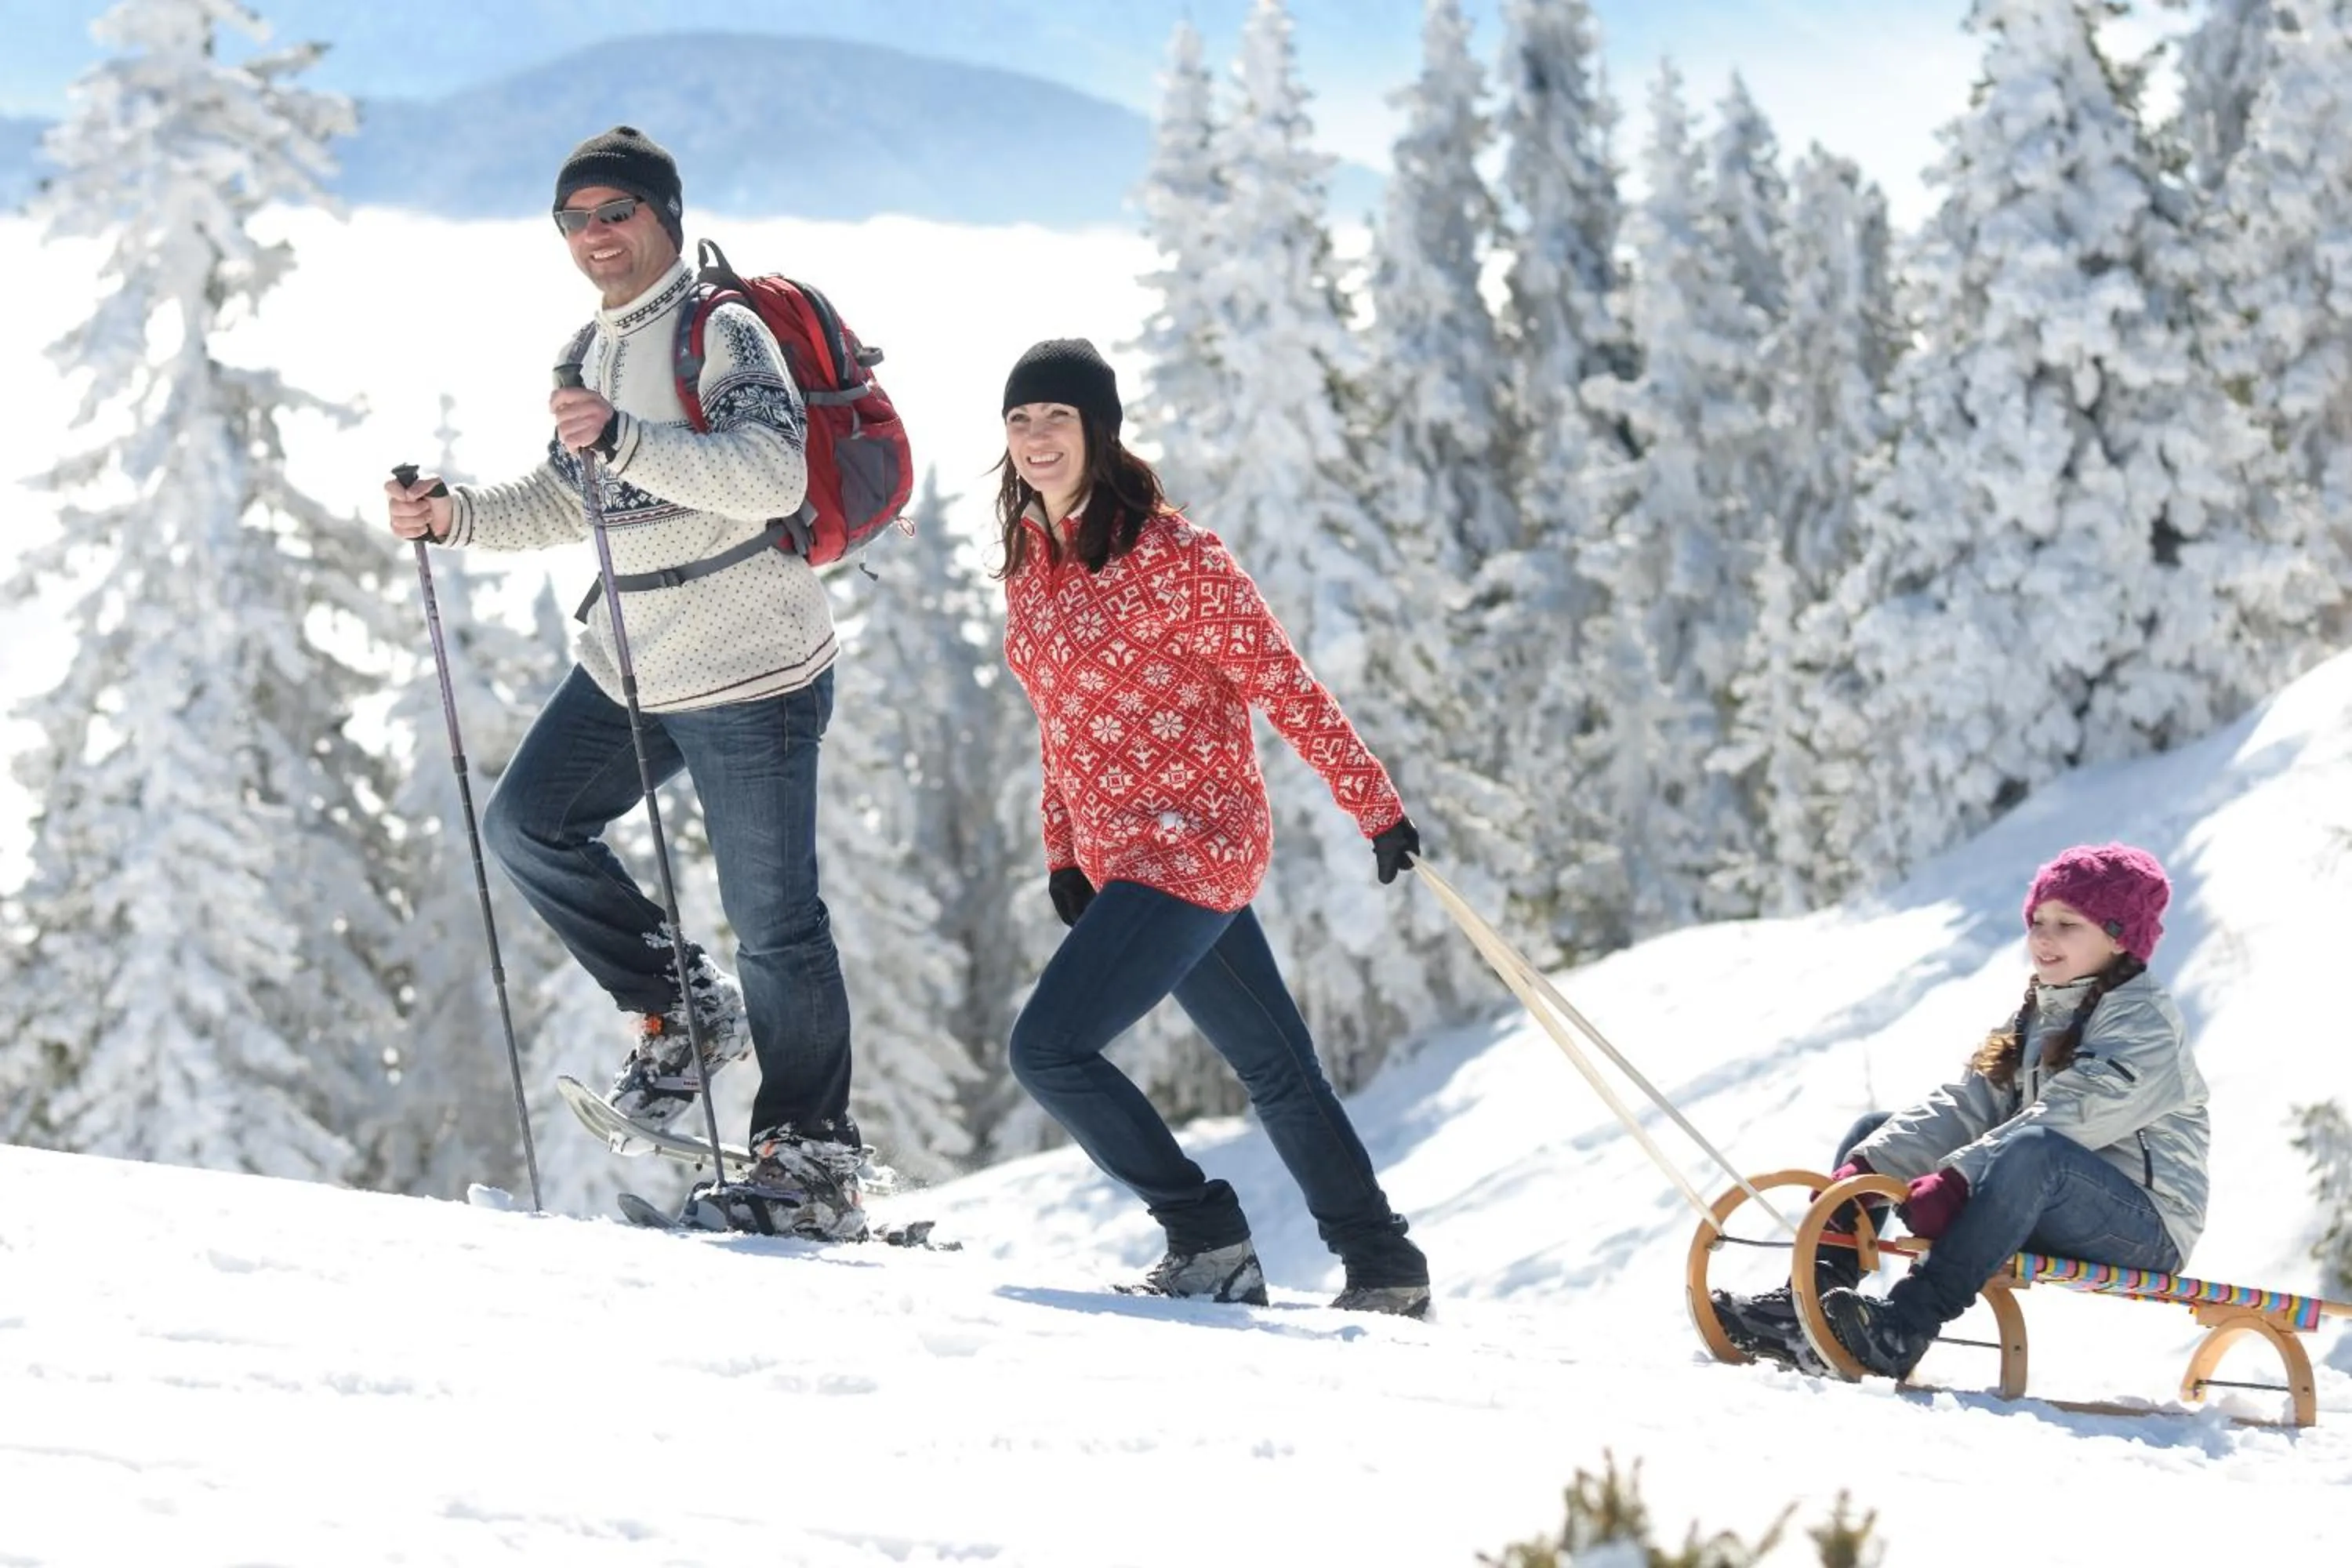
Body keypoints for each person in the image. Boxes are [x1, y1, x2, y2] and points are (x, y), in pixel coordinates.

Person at [383, 125, 866, 1239]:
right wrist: (454, 517)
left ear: (665, 216)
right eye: (575, 219)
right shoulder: (590, 352)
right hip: (635, 664)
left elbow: (768, 472)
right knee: (527, 826)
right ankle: (681, 1008)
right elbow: (574, 500)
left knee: (776, 924)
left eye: (616, 213)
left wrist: (629, 441)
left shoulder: (724, 330)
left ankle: (812, 1157)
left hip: (753, 668)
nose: (595, 236)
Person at [993, 337, 1433, 1317]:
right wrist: (1063, 847)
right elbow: (1056, 723)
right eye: (1020, 421)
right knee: (1277, 1065)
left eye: (1055, 417)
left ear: (1098, 429)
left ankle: (1204, 1232)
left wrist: (1376, 806)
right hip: (1123, 862)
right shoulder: (1035, 570)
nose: (1035, 438)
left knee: (1048, 1049)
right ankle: (1385, 1265)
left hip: (1196, 845)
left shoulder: (1178, 558)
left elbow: (1284, 683)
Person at [1715, 843, 2209, 1378]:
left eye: (2069, 924)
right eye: (2038, 919)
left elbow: (2072, 1114)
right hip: (2044, 1196)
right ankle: (1807, 1304)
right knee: (1876, 1132)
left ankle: (1905, 1326)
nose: (2044, 936)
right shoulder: (2043, 1009)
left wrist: (1957, 1180)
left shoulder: (2144, 1023)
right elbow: (1971, 1103)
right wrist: (1872, 1166)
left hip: (2145, 1222)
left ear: (2118, 938)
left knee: (2035, 1154)